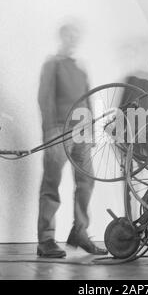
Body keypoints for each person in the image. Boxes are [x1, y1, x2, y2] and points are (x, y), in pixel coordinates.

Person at [37, 21, 107, 258]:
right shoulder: (52, 63)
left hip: (83, 134)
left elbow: (89, 99)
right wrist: (49, 131)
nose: (74, 38)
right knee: (51, 185)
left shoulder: (81, 68)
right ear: (62, 36)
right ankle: (45, 240)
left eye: (77, 34)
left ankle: (80, 232)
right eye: (70, 34)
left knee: (87, 182)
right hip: (58, 131)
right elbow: (44, 98)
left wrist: (93, 133)